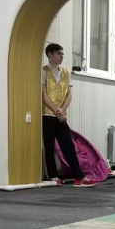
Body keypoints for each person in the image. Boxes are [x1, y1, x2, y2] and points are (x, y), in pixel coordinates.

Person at [42, 43, 98, 188]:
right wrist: (56, 110)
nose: (62, 56)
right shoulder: (43, 71)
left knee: (68, 145)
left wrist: (63, 109)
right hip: (47, 115)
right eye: (59, 53)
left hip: (61, 116)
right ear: (50, 54)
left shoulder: (66, 73)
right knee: (49, 147)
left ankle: (79, 177)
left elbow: (69, 95)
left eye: (62, 54)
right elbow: (43, 95)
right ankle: (53, 176)